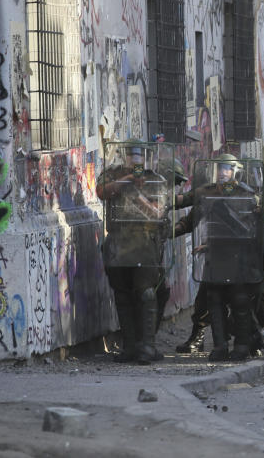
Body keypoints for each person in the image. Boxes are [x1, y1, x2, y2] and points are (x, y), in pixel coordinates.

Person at [96, 144, 185, 364]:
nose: (134, 160)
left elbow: (157, 211)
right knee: (122, 296)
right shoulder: (113, 174)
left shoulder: (153, 179)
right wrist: (126, 180)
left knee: (145, 293)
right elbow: (101, 191)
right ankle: (129, 346)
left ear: (146, 158)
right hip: (118, 241)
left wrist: (137, 196)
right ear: (124, 156)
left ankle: (147, 346)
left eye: (138, 155)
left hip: (144, 242)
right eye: (130, 154)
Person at [175, 154, 264, 361]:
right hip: (215, 255)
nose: (223, 172)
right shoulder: (208, 193)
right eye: (220, 168)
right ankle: (220, 346)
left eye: (227, 168)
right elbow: (190, 213)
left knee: (240, 300)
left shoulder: (246, 194)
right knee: (214, 299)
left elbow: (255, 224)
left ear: (235, 172)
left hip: (238, 254)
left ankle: (242, 345)